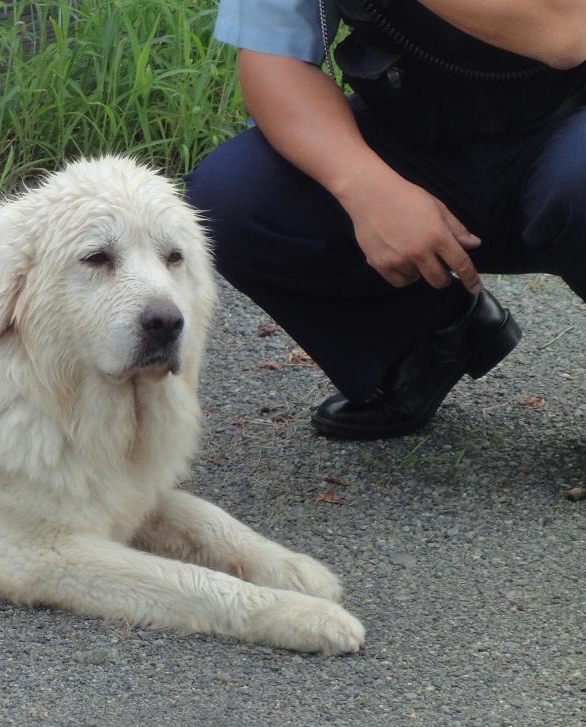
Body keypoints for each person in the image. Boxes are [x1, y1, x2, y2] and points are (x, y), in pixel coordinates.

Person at [185, 0, 586, 439]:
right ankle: (428, 340)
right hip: (423, 134)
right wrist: (364, 184)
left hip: (572, 127)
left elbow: (566, 32)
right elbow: (273, 58)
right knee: (235, 196)